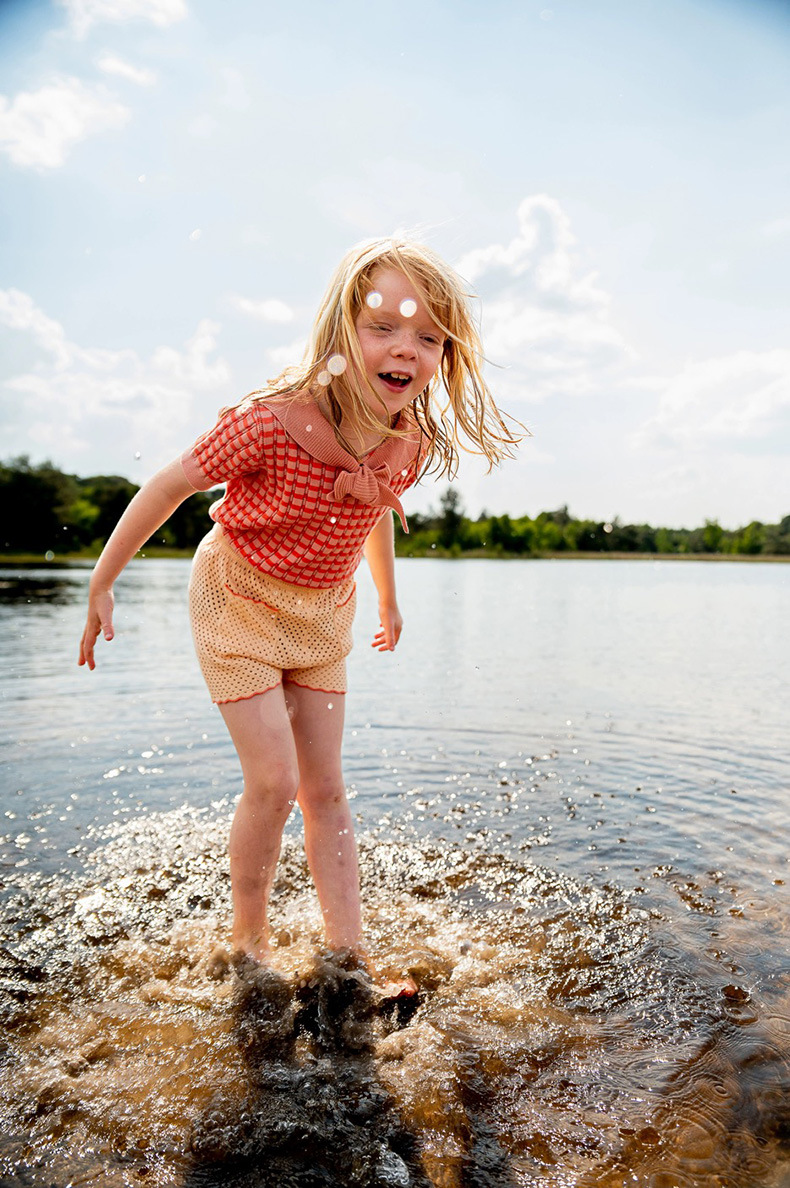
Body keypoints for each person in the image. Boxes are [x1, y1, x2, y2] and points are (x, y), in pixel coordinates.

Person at [78, 237, 521, 986]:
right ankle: (248, 943)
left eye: (429, 337)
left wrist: (387, 593)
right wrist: (102, 581)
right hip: (238, 600)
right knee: (275, 781)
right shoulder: (270, 422)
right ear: (344, 327)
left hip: (321, 617)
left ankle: (347, 953)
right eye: (383, 326)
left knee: (326, 787)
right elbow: (169, 485)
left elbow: (375, 508)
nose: (405, 349)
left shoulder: (404, 439)